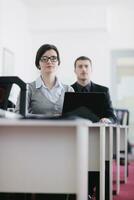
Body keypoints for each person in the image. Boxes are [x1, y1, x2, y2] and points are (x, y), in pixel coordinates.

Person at [15, 44, 74, 116]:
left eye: (53, 58)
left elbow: (73, 117)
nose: (49, 61)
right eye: (44, 58)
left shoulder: (69, 90)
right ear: (38, 64)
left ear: (58, 62)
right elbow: (19, 114)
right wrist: (49, 117)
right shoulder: (27, 88)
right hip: (36, 127)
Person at [71, 56, 117, 123]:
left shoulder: (103, 91)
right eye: (80, 66)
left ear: (91, 70)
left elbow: (112, 116)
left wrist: (108, 120)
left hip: (97, 130)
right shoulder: (68, 90)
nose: (83, 69)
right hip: (73, 130)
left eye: (86, 66)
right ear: (75, 70)